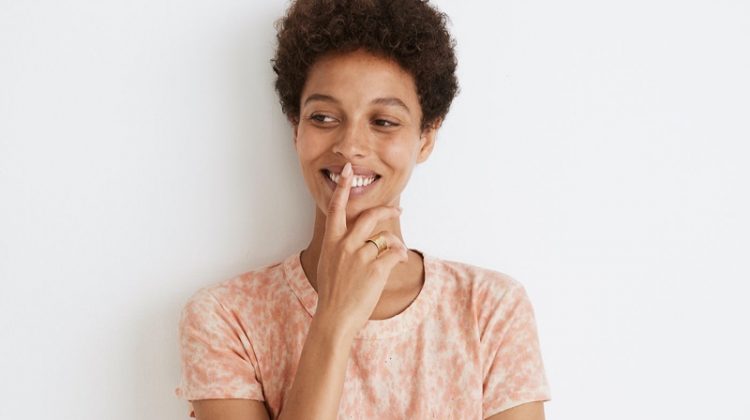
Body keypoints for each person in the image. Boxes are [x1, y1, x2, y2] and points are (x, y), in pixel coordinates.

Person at [175, 0, 552, 418]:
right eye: (323, 117)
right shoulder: (227, 319)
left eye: (384, 121)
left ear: (426, 138)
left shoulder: (490, 310)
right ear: (295, 129)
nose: (350, 146)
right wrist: (333, 320)